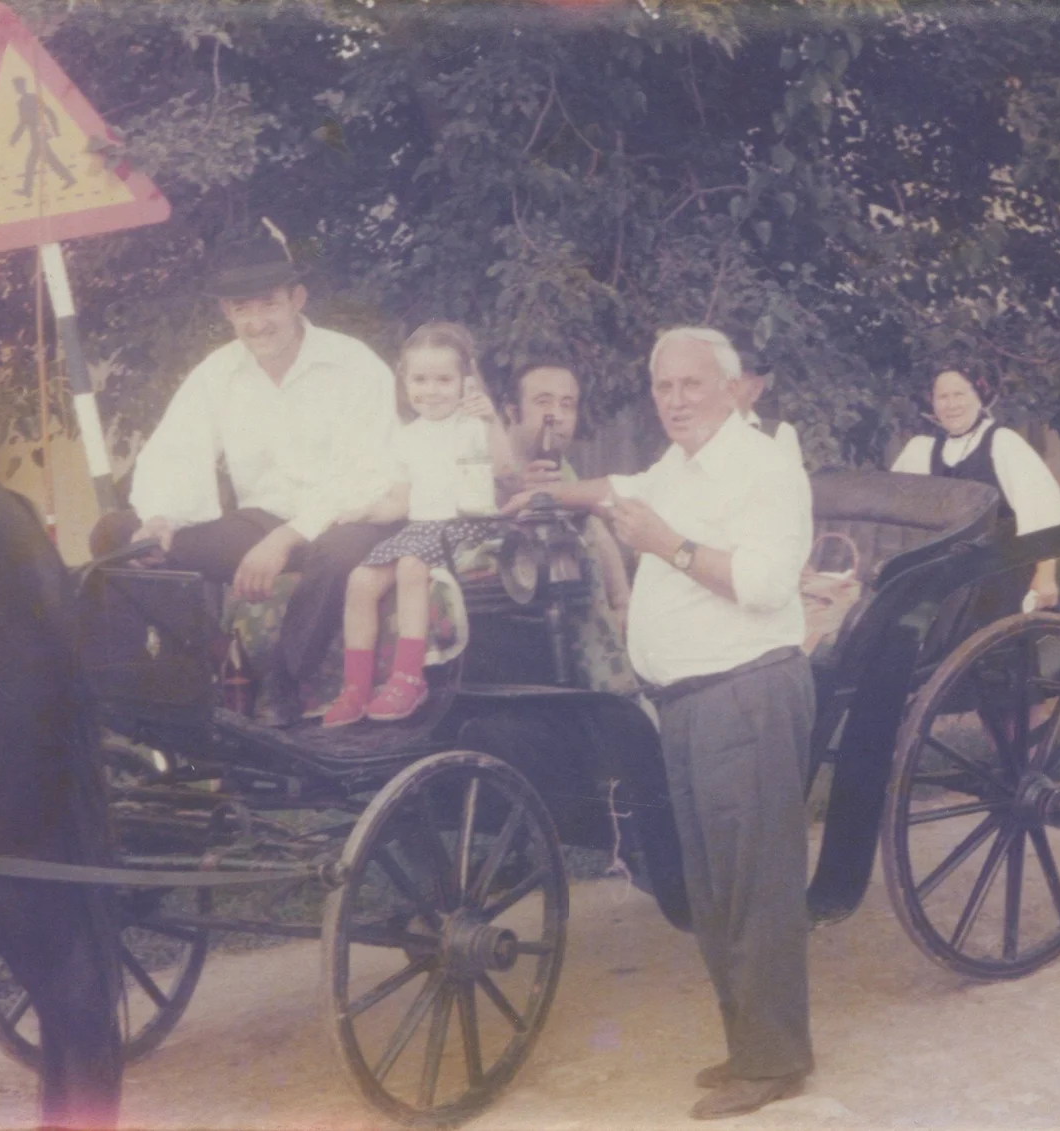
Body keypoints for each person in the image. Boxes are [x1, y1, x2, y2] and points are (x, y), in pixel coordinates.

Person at [503, 326, 815, 1121]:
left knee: (755, 885)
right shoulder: (677, 465)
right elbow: (622, 485)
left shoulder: (763, 466)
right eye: (664, 387)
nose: (675, 400)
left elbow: (764, 583)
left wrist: (668, 546)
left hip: (745, 691)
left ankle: (775, 1059)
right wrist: (551, 495)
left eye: (691, 384)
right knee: (712, 888)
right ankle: (751, 1045)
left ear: (732, 387)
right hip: (686, 699)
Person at [123, 232, 402, 713]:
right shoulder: (218, 373)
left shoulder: (352, 364)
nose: (256, 323)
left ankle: (286, 689)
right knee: (127, 545)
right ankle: (225, 660)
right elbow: (175, 451)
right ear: (226, 312)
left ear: (297, 299)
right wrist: (160, 519)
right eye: (241, 308)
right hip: (263, 520)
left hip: (352, 518)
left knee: (336, 557)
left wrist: (286, 539)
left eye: (269, 303)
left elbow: (368, 472)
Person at [323, 323, 516, 726]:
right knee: (361, 579)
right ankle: (356, 686)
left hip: (466, 526)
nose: (431, 390)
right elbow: (400, 502)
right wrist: (365, 511)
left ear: (464, 380)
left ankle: (408, 678)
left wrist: (492, 420)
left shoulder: (472, 425)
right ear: (404, 380)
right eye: (421, 379)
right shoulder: (406, 437)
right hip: (421, 529)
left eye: (444, 380)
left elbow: (505, 470)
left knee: (411, 566)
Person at [890, 367, 1060, 611]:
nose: (951, 405)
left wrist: (1045, 576)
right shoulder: (920, 451)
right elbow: (895, 513)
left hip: (1002, 570)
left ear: (979, 397)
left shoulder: (1003, 443)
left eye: (959, 394)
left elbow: (1042, 511)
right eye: (943, 397)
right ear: (933, 403)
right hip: (945, 573)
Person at [499, 359, 631, 617]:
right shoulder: (482, 458)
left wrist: (622, 602)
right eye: (543, 402)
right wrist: (511, 489)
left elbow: (594, 526)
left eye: (567, 404)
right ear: (513, 412)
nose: (557, 416)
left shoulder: (558, 465)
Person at [730, 357, 804, 475]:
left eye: (734, 383)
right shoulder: (700, 435)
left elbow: (789, 484)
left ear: (756, 389)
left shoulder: (778, 434)